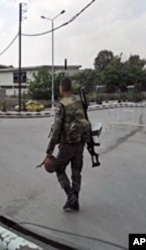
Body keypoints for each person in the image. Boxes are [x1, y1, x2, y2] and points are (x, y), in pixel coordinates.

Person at [45, 77, 90, 212]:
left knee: (59, 169)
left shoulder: (62, 104)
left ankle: (71, 196)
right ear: (70, 87)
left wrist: (49, 150)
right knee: (76, 172)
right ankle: (75, 200)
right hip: (80, 143)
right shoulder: (79, 101)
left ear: (61, 88)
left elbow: (57, 128)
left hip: (67, 145)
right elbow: (86, 119)